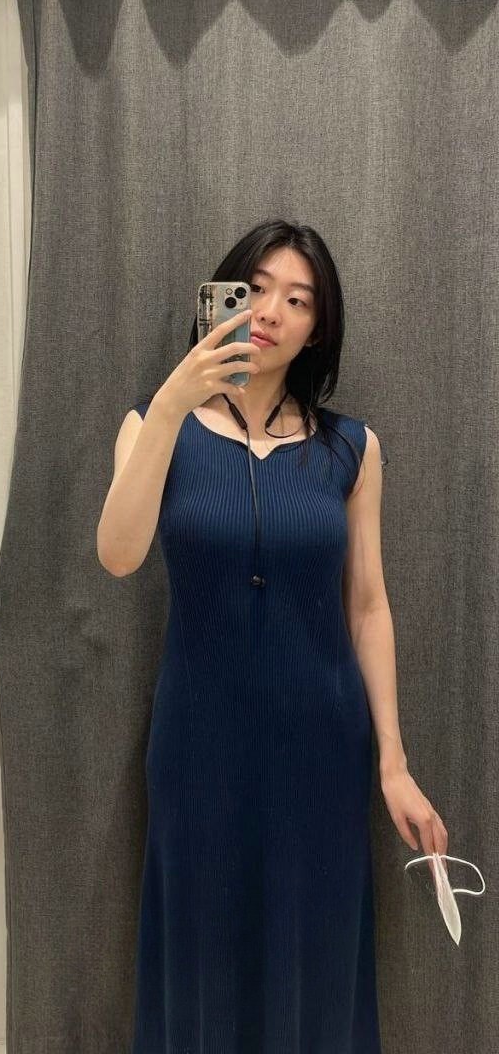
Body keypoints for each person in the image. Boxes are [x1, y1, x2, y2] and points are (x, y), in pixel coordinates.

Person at [96, 217, 449, 1054]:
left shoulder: (350, 449)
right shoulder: (153, 424)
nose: (269, 312)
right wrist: (174, 401)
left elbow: (368, 605)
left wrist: (393, 764)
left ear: (317, 327)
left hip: (320, 745)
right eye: (254, 289)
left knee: (313, 956)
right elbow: (118, 556)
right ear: (219, 296)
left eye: (298, 300)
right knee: (201, 953)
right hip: (198, 743)